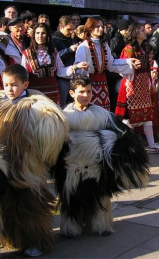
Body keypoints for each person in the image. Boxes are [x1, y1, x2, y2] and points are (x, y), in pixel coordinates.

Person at [52, 75, 149, 238]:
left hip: (97, 166)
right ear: (72, 93)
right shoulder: (63, 117)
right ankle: (71, 227)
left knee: (100, 196)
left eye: (89, 92)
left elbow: (123, 133)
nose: (86, 95)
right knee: (72, 197)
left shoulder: (103, 114)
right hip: (72, 166)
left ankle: (101, 225)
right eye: (81, 92)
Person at [0, 64, 68, 257]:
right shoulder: (2, 103)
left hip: (28, 167)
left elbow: (51, 138)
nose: (9, 89)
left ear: (25, 84)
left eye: (14, 85)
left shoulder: (38, 107)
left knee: (30, 205)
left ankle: (37, 241)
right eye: (6, 84)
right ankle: (13, 238)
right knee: (7, 205)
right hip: (5, 165)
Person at [115, 22, 159, 153]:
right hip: (131, 85)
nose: (144, 32)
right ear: (136, 32)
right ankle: (126, 144)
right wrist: (131, 67)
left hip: (143, 85)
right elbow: (121, 68)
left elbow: (147, 68)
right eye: (142, 30)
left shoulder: (144, 48)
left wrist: (150, 82)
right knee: (129, 116)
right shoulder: (129, 49)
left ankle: (151, 144)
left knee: (146, 115)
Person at [74, 16, 139, 111]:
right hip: (89, 83)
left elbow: (111, 63)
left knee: (103, 110)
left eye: (101, 26)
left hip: (102, 83)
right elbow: (79, 68)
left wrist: (128, 62)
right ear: (90, 28)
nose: (100, 29)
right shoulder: (84, 46)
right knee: (90, 110)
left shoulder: (104, 45)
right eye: (97, 27)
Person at [21, 23, 88, 105]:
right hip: (35, 95)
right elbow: (23, 75)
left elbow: (61, 71)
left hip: (53, 93)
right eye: (37, 33)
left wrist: (77, 66)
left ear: (47, 35)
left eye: (43, 33)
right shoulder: (27, 54)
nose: (40, 36)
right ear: (33, 35)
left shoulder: (53, 52)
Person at [52, 16, 78, 107]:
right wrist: (69, 50)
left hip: (73, 76)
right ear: (60, 27)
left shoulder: (72, 39)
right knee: (62, 105)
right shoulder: (54, 40)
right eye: (68, 29)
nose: (71, 32)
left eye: (73, 30)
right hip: (61, 78)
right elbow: (55, 57)